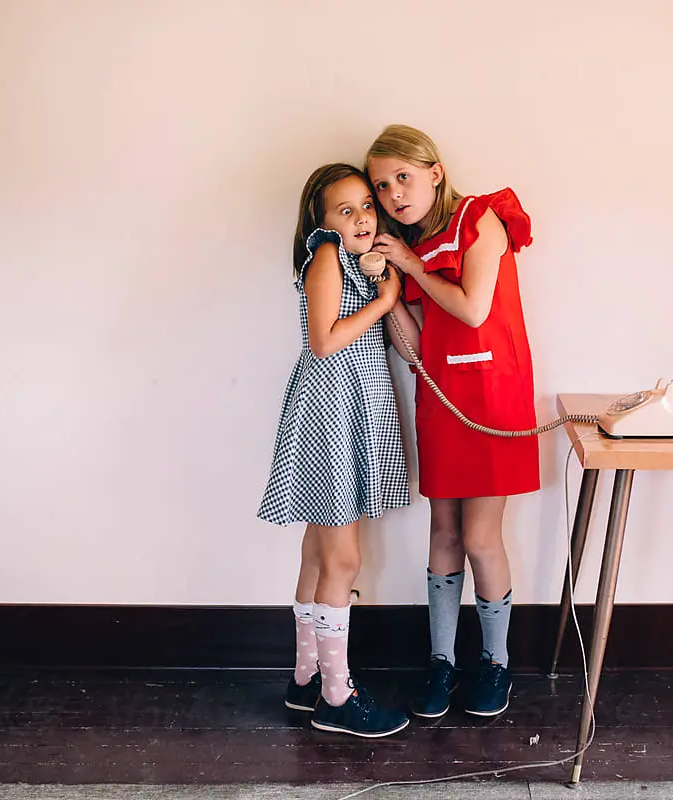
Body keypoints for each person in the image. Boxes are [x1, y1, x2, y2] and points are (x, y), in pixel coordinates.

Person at [366, 124, 540, 718]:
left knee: (480, 536)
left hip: (493, 397)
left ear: (434, 171)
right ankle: (441, 663)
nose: (393, 194)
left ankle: (495, 664)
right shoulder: (407, 248)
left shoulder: (480, 219)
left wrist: (412, 266)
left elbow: (471, 308)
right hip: (441, 395)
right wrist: (387, 294)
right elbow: (417, 348)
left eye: (403, 178)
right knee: (442, 531)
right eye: (382, 186)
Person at [257, 162, 410, 738]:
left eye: (366, 206)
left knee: (320, 557)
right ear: (320, 222)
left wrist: (378, 281)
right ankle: (336, 696)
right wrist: (386, 297)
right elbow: (323, 341)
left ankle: (304, 680)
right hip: (332, 414)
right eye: (346, 211)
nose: (363, 218)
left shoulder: (351, 260)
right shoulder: (326, 254)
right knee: (342, 561)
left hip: (348, 407)